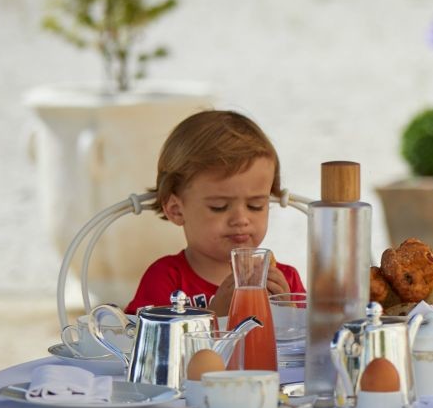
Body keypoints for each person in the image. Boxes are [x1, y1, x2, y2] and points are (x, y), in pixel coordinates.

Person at [126, 110, 304, 316]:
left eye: (255, 205)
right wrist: (214, 317)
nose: (241, 219)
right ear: (176, 210)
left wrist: (290, 315)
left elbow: (314, 344)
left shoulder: (286, 280)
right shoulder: (166, 280)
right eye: (219, 207)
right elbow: (139, 344)